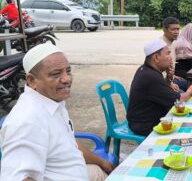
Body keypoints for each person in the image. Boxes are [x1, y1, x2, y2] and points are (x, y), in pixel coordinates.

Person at [0, 43, 114, 181]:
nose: (67, 79)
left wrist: (102, 163)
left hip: (81, 172)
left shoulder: (52, 102)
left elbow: (70, 144)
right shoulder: (27, 121)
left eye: (68, 71)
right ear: (32, 80)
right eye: (56, 74)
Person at [127, 39, 192, 136]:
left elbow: (161, 92)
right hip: (145, 125)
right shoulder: (150, 76)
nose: (171, 58)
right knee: (187, 129)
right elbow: (180, 99)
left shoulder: (147, 70)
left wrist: (169, 78)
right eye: (168, 54)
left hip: (150, 118)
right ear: (156, 57)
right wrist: (190, 90)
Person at [161, 17, 187, 92]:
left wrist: (172, 76)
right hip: (161, 83)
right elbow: (156, 72)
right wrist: (169, 83)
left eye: (178, 29)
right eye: (173, 29)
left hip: (169, 79)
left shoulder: (172, 44)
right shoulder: (161, 45)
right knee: (184, 95)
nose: (176, 32)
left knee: (189, 84)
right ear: (164, 30)